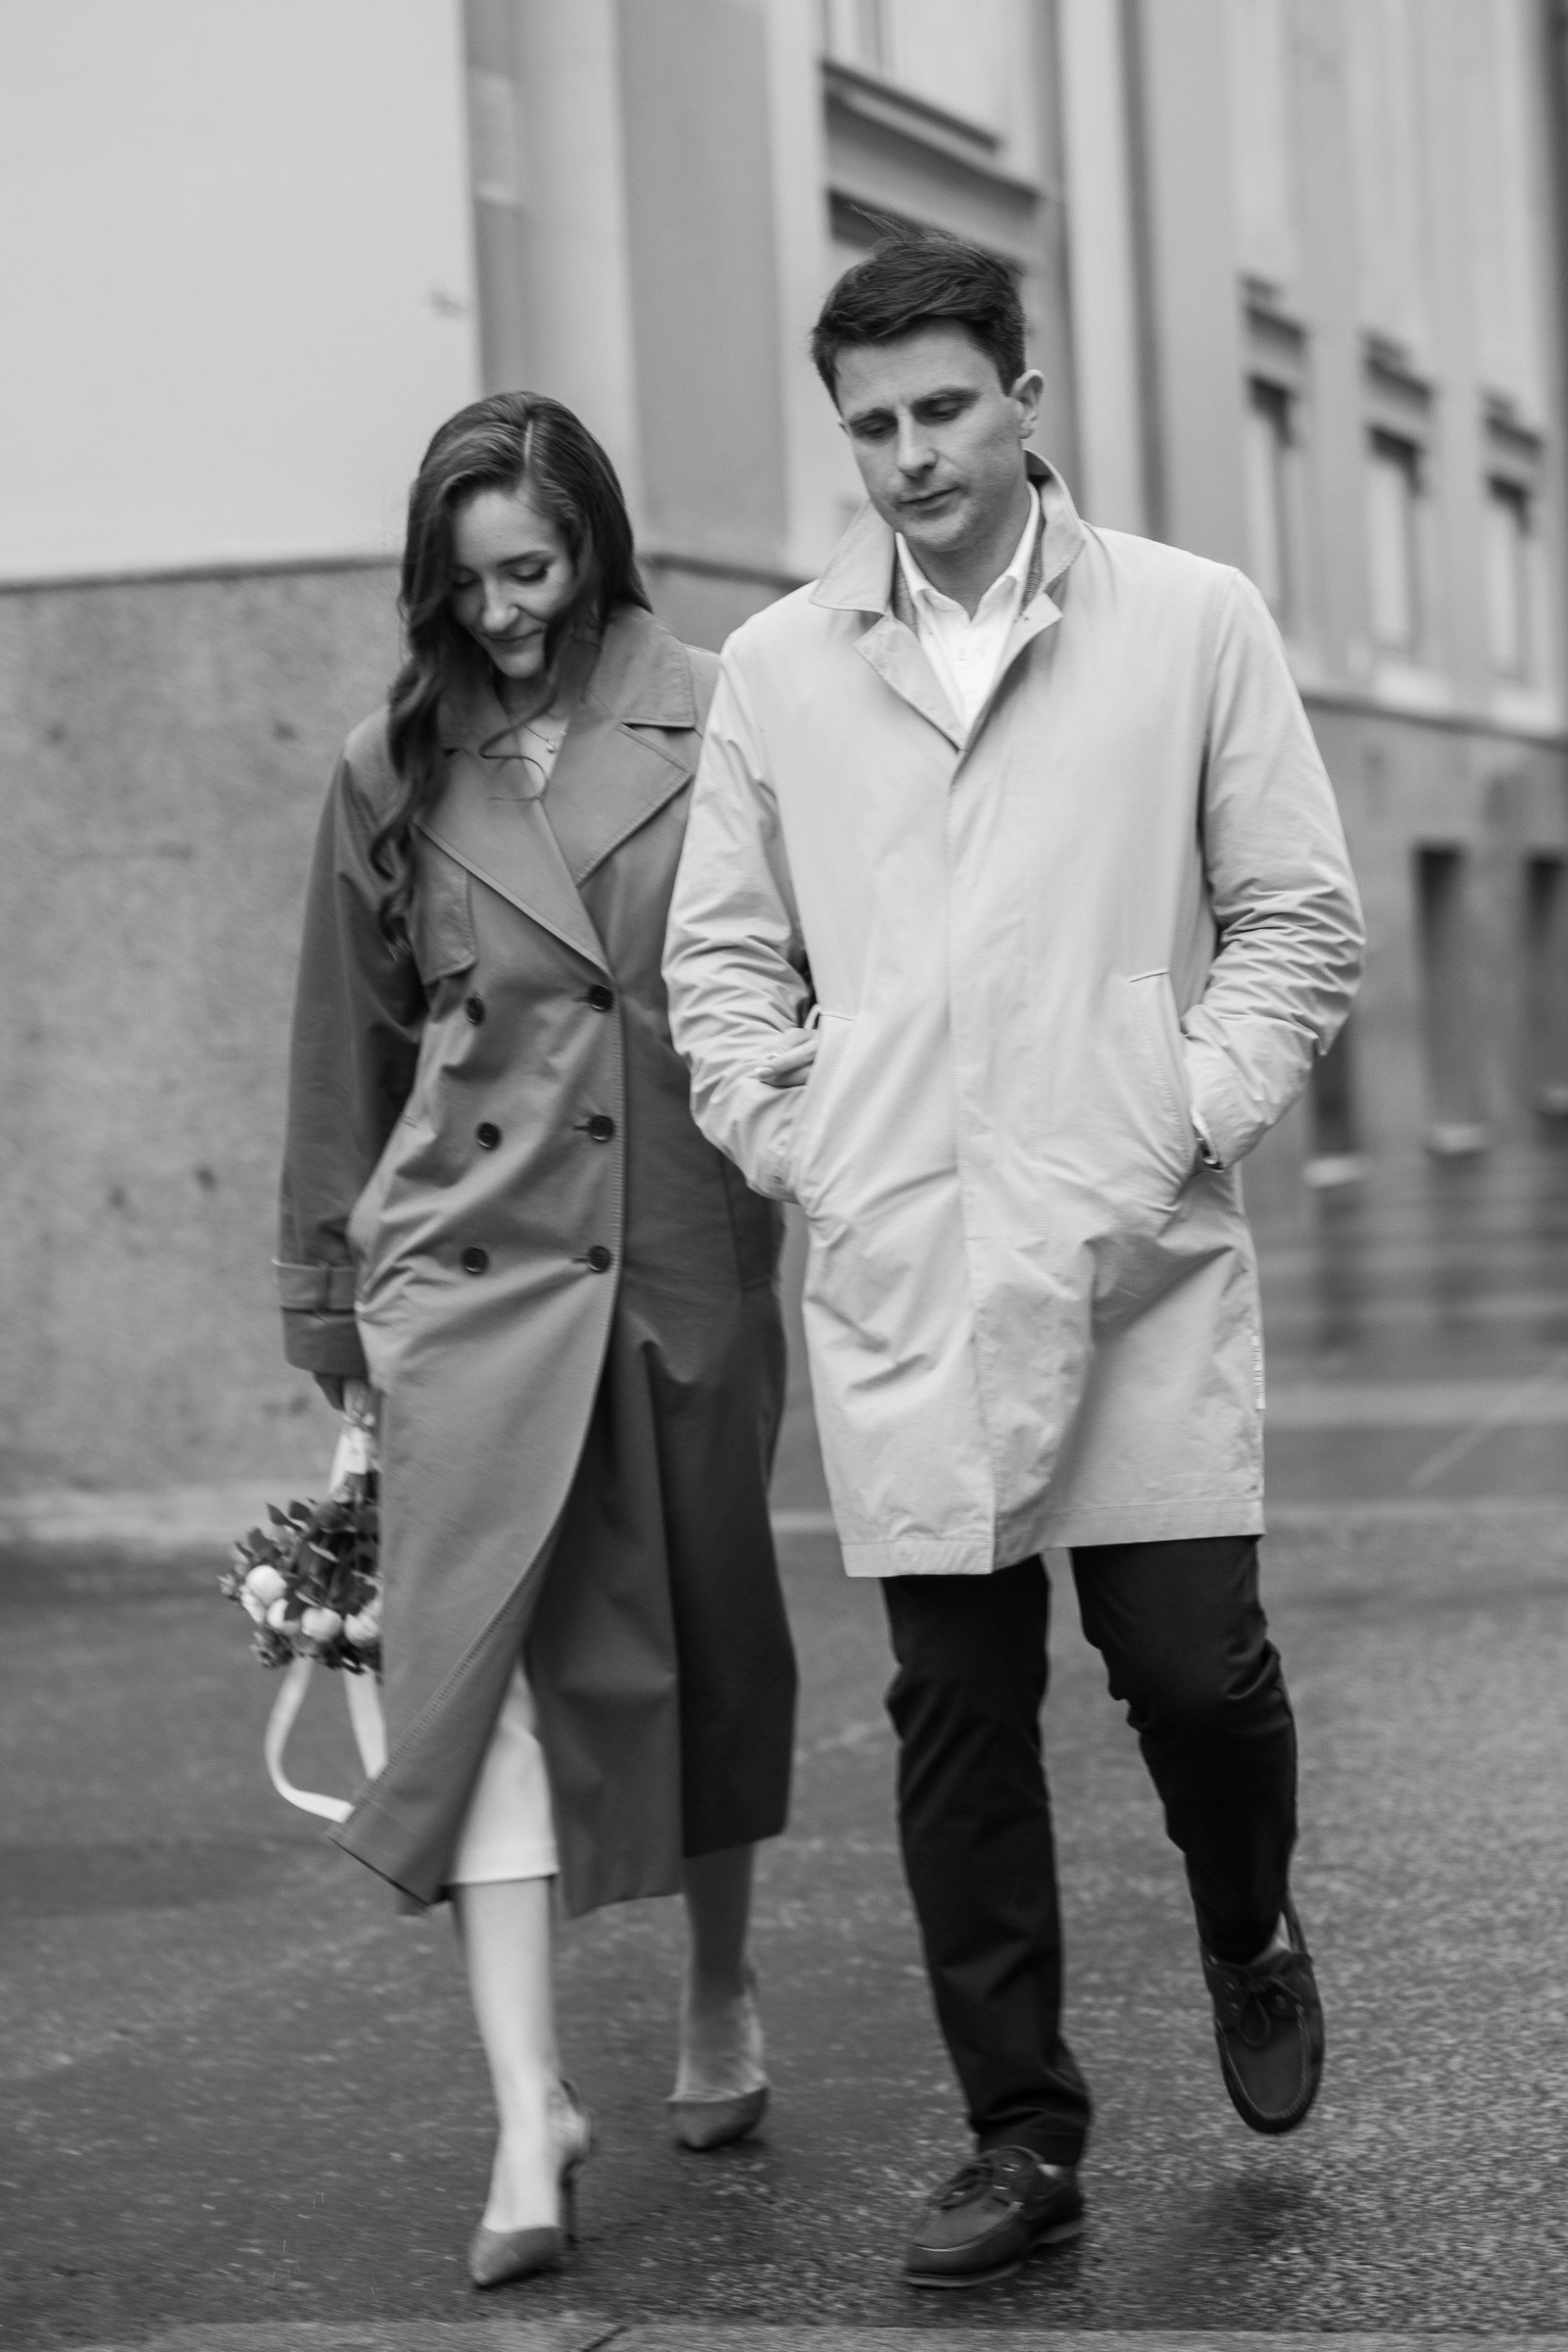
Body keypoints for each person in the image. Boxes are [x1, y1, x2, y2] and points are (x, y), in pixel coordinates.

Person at [663, 230, 1364, 2289]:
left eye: (943, 408)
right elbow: (721, 965)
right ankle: (1019, 2136)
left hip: (1133, 1245)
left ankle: (1243, 1919)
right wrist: (808, 1145)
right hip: (908, 1266)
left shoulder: (1190, 621)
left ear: (1023, 400)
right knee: (955, 1713)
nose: (909, 455)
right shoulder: (779, 670)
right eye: (871, 424)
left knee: (1194, 1677)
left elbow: (1297, 921)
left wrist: (1175, 1116)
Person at [276, 391, 797, 2289]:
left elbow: (805, 979)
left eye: (535, 569)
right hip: (468, 1272)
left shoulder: (727, 709)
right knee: (470, 1672)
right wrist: (327, 1302)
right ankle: (527, 2113)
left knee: (707, 1642)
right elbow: (345, 1052)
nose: (503, 613)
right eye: (468, 581)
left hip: (674, 1253)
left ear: (595, 547)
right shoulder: (392, 760)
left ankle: (719, 1993)